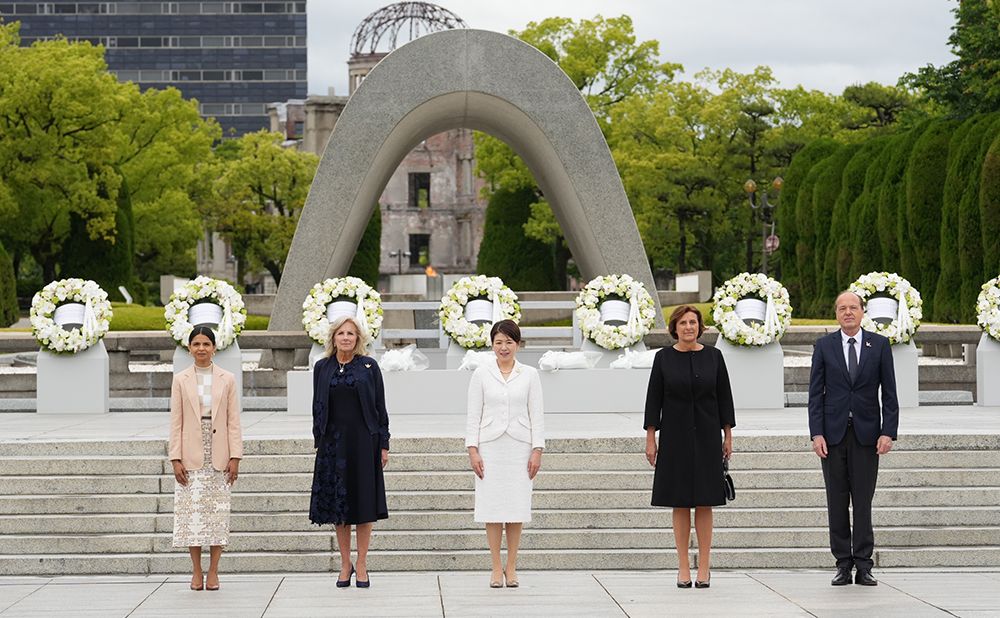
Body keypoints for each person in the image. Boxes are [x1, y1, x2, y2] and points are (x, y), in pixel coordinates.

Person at [808, 290, 898, 587]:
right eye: (842, 308)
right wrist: (816, 432)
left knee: (863, 501)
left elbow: (890, 394)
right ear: (836, 313)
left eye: (853, 308)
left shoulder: (879, 345)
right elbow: (814, 395)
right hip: (832, 436)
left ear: (862, 312)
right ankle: (843, 564)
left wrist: (888, 431)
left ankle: (864, 564)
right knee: (836, 501)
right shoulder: (824, 346)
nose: (848, 312)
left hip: (867, 436)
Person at [644, 305, 735, 589]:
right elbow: (653, 399)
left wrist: (727, 434)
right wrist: (651, 437)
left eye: (693, 322)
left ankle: (704, 567)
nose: (688, 327)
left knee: (706, 501)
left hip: (708, 437)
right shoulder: (663, 358)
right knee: (680, 501)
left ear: (700, 326)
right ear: (675, 327)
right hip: (674, 437)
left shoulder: (714, 357)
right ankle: (683, 566)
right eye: (683, 323)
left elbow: (724, 398)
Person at [310, 315, 390, 588]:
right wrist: (318, 439)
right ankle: (346, 564)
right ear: (333, 338)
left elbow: (380, 408)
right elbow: (317, 406)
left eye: (351, 334)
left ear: (359, 339)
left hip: (363, 443)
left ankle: (363, 562)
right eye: (341, 333)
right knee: (339, 508)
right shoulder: (322, 367)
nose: (346, 337)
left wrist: (383, 443)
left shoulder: (369, 366)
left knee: (364, 506)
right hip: (333, 446)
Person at [466, 319, 544, 588]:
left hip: (520, 447)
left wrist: (537, 449)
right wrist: (472, 449)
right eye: (498, 342)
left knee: (516, 507)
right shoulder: (481, 374)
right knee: (492, 507)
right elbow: (473, 414)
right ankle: (495, 568)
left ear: (518, 344)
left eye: (509, 342)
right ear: (492, 344)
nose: (503, 347)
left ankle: (512, 567)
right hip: (490, 446)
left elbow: (537, 413)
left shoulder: (530, 374)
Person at [169, 326, 243, 591]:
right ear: (189, 348)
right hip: (190, 451)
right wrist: (175, 458)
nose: (201, 348)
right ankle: (196, 571)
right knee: (193, 515)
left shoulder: (228, 378)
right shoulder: (180, 379)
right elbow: (175, 421)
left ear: (214, 348)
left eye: (206, 344)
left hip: (220, 451)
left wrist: (235, 456)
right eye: (196, 344)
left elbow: (233, 420)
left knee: (217, 514)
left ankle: (214, 570)